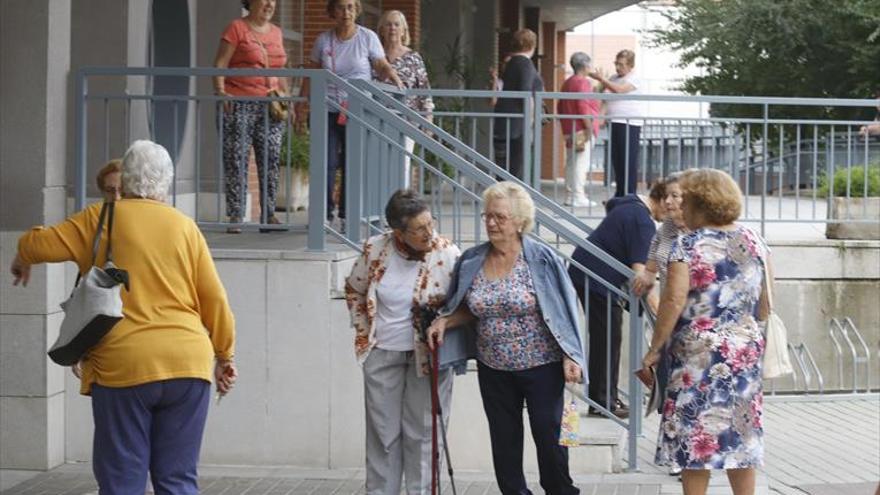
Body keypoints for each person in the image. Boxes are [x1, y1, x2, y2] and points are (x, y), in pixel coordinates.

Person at [10, 140, 237, 494]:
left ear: (127, 178)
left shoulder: (100, 218)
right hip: (187, 363)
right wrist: (224, 355)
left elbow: (37, 245)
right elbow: (214, 298)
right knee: (178, 479)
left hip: (123, 366)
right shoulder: (185, 226)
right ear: (166, 183)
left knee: (122, 479)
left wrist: (23, 255)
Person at [427, 181, 585, 495]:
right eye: (487, 215)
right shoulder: (472, 259)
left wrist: (572, 355)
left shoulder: (541, 259)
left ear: (519, 221)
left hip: (542, 365)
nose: (491, 222)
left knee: (549, 436)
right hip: (493, 367)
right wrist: (446, 320)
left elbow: (565, 309)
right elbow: (473, 310)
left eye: (499, 216)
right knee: (504, 440)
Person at [641, 169, 770, 495]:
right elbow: (766, 303)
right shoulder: (754, 240)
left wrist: (655, 349)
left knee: (695, 437)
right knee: (740, 437)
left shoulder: (687, 245)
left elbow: (672, 300)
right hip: (744, 351)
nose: (680, 207)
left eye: (686, 200)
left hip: (699, 355)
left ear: (699, 202)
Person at [345, 189, 460, 494]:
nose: (429, 233)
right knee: (383, 436)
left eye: (430, 224)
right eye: (419, 229)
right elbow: (354, 289)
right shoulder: (375, 249)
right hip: (382, 352)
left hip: (428, 356)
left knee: (423, 434)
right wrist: (362, 332)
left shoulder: (447, 253)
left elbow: (463, 303)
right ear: (398, 231)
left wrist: (443, 323)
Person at [297, 0, 403, 227]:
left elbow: (380, 64)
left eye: (350, 7)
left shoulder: (367, 37)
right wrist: (300, 107)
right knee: (326, 162)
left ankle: (347, 214)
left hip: (357, 111)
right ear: (332, 11)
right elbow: (311, 75)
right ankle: (324, 215)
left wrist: (393, 75)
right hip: (327, 108)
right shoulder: (323, 40)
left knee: (351, 162)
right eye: (340, 7)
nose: (346, 12)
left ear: (356, 11)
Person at [567, 187, 664, 418]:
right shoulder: (643, 222)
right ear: (660, 199)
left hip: (589, 274)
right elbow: (641, 276)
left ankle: (606, 398)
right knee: (608, 339)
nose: (670, 214)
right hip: (598, 279)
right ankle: (603, 402)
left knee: (608, 337)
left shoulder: (630, 206)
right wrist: (661, 315)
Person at [214, 0, 289, 233]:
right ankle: (236, 215)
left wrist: (287, 97)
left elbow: (280, 69)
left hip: (271, 105)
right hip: (239, 102)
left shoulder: (277, 32)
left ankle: (268, 214)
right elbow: (220, 64)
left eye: (273, 0)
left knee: (271, 157)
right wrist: (221, 93)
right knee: (237, 158)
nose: (269, 4)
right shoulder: (236, 28)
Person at [375, 10, 434, 187]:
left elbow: (424, 89)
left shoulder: (413, 58)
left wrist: (428, 118)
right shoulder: (375, 56)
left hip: (406, 120)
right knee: (377, 165)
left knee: (402, 165)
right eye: (388, 24)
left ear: (403, 30)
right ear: (382, 30)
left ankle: (399, 209)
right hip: (376, 118)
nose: (392, 28)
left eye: (396, 24)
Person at [589, 49, 644, 197]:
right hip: (614, 122)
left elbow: (620, 90)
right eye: (616, 64)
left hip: (629, 124)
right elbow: (607, 100)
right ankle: (620, 194)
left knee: (628, 160)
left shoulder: (635, 78)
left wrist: (602, 79)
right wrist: (599, 119)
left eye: (621, 64)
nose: (618, 67)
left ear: (630, 65)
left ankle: (629, 195)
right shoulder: (613, 78)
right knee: (617, 160)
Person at [492, 29, 544, 181]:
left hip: (503, 122)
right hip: (518, 125)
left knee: (503, 168)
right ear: (533, 45)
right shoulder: (525, 64)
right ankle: (512, 203)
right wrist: (532, 119)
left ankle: (503, 200)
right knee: (515, 169)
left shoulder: (508, 63)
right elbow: (526, 94)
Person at [558, 52, 601, 207]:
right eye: (590, 64)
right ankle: (578, 196)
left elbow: (560, 106)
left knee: (571, 162)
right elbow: (583, 107)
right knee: (580, 163)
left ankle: (570, 195)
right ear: (585, 65)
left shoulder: (567, 82)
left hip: (569, 127)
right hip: (581, 128)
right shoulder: (583, 83)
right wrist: (589, 127)